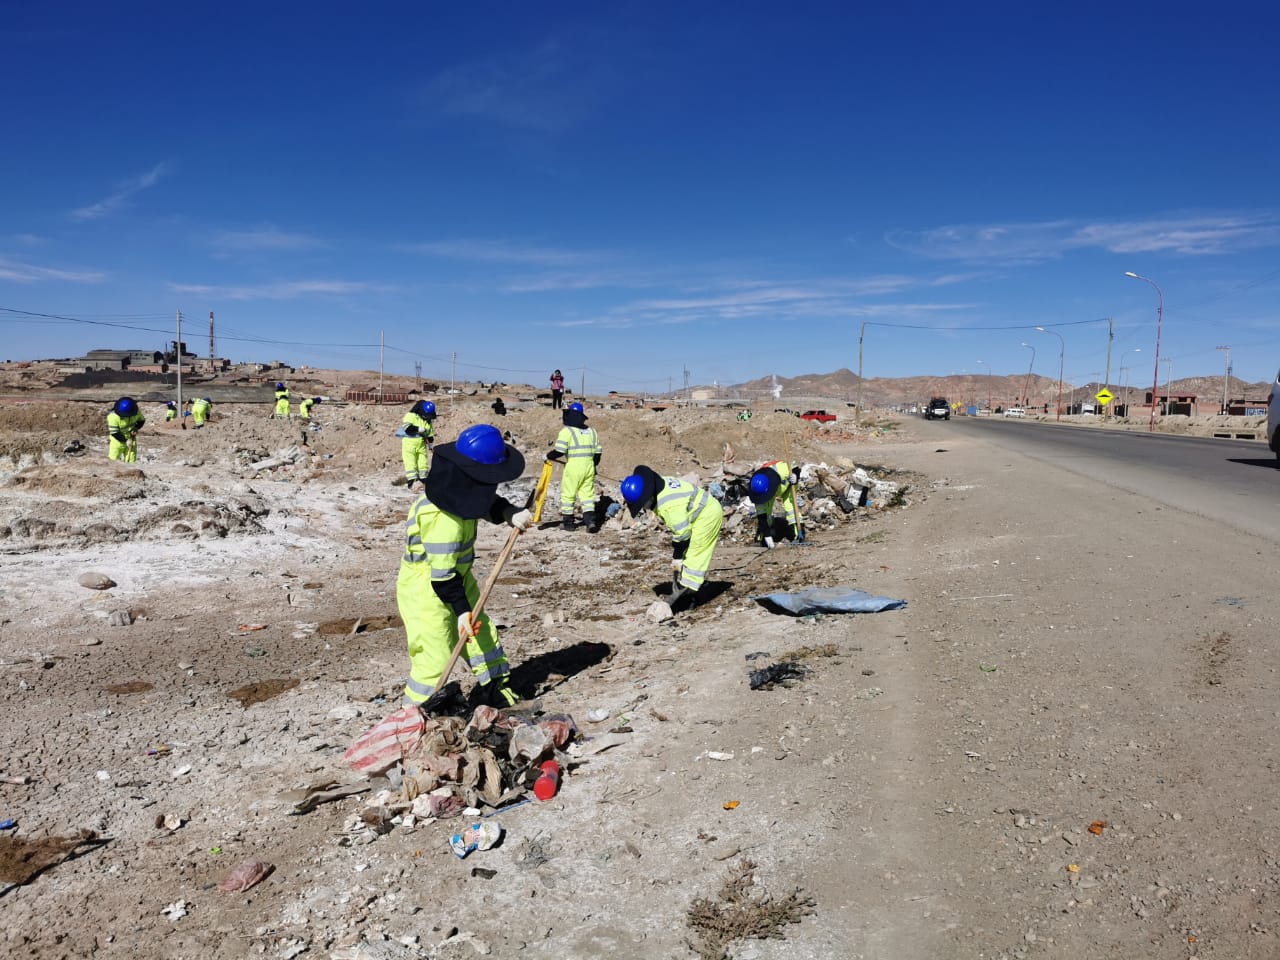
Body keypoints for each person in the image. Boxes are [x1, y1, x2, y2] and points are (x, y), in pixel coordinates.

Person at [397, 424, 532, 709]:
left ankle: (496, 690)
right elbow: (441, 576)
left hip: (458, 578)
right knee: (434, 656)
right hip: (426, 588)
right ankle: (421, 715)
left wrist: (508, 512)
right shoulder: (443, 518)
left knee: (482, 635)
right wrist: (461, 612)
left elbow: (481, 502)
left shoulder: (458, 487)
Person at [620, 465, 724, 611]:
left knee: (695, 555)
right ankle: (687, 588)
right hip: (698, 512)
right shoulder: (661, 484)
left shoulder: (668, 505)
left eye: (642, 504)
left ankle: (687, 597)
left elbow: (682, 534)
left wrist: (677, 555)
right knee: (688, 554)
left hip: (707, 515)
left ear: (648, 497)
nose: (644, 508)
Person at [546, 402, 602, 532]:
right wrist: (593, 465)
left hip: (573, 467)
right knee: (587, 496)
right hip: (589, 466)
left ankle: (569, 524)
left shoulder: (567, 431)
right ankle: (590, 522)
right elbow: (598, 453)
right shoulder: (592, 432)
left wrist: (548, 456)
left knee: (568, 495)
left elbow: (559, 451)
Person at [748, 460, 802, 548]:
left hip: (789, 486)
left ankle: (798, 534)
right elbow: (762, 517)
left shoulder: (782, 469)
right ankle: (762, 538)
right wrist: (767, 536)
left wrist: (795, 476)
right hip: (771, 491)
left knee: (791, 508)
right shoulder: (757, 490)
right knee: (766, 514)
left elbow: (796, 469)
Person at [400, 399, 436, 490]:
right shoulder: (411, 416)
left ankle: (423, 480)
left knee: (423, 463)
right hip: (409, 444)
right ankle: (412, 482)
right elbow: (407, 428)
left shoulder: (427, 421)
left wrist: (430, 446)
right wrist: (418, 429)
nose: (428, 418)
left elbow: (430, 435)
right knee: (411, 463)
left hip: (421, 444)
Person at [106, 397, 145, 462]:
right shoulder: (113, 417)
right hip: (117, 440)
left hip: (131, 438)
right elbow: (114, 432)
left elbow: (141, 421)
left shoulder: (136, 412)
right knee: (113, 460)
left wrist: (136, 428)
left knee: (131, 460)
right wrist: (125, 441)